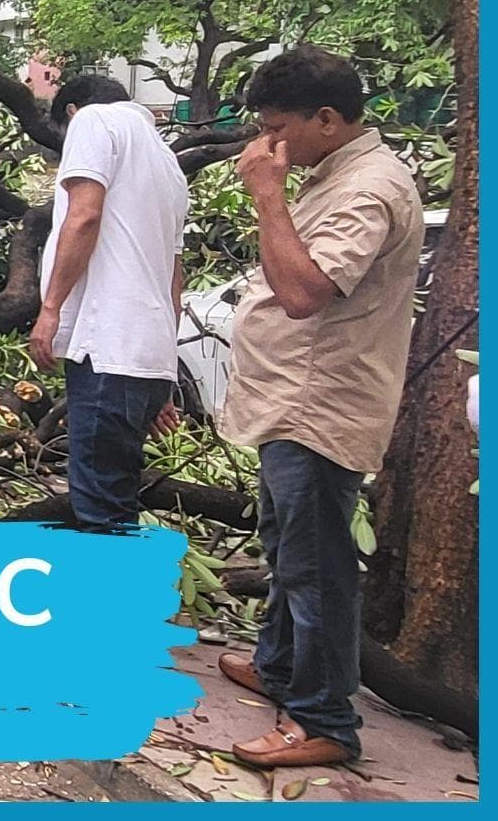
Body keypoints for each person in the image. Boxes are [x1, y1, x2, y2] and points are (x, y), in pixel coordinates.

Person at [216, 46, 424, 769]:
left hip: (319, 405)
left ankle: (324, 719)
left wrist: (268, 198)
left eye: (279, 127)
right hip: (290, 401)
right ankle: (278, 667)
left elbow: (305, 294)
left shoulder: (368, 188)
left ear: (327, 120)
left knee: (316, 566)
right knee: (287, 546)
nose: (268, 144)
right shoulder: (336, 173)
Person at [28, 74, 187, 532]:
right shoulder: (165, 160)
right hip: (144, 353)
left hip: (108, 348)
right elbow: (172, 275)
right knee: (117, 497)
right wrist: (160, 372)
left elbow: (84, 216)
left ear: (71, 112)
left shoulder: (93, 121)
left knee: (99, 507)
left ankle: (110, 601)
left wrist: (51, 308)